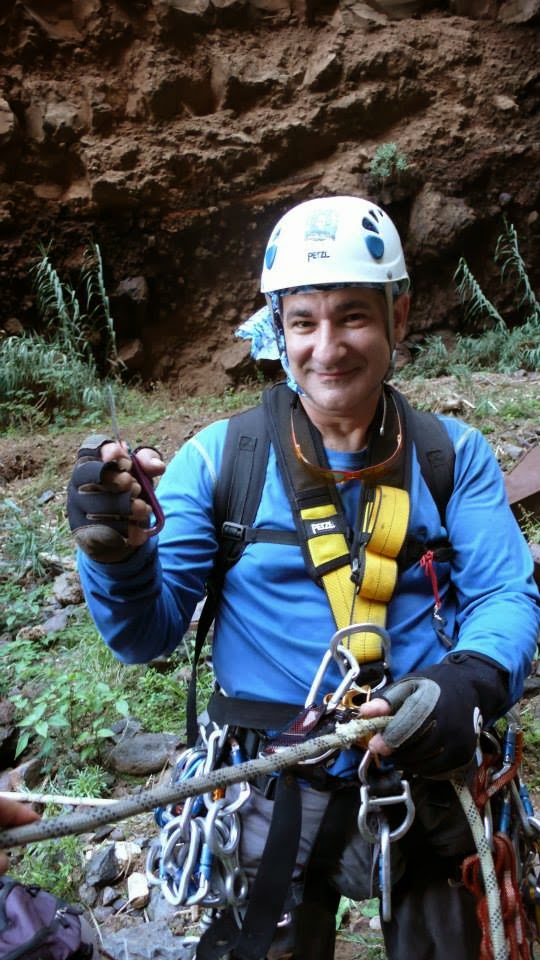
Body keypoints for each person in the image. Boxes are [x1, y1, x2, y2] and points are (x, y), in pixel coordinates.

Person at [68, 196, 539, 960]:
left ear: (399, 316)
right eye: (304, 322)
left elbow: (504, 595)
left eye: (353, 316)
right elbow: (144, 633)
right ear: (279, 331)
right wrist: (118, 555)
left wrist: (471, 681)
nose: (328, 348)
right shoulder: (223, 460)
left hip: (427, 763)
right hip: (270, 778)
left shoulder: (453, 457)